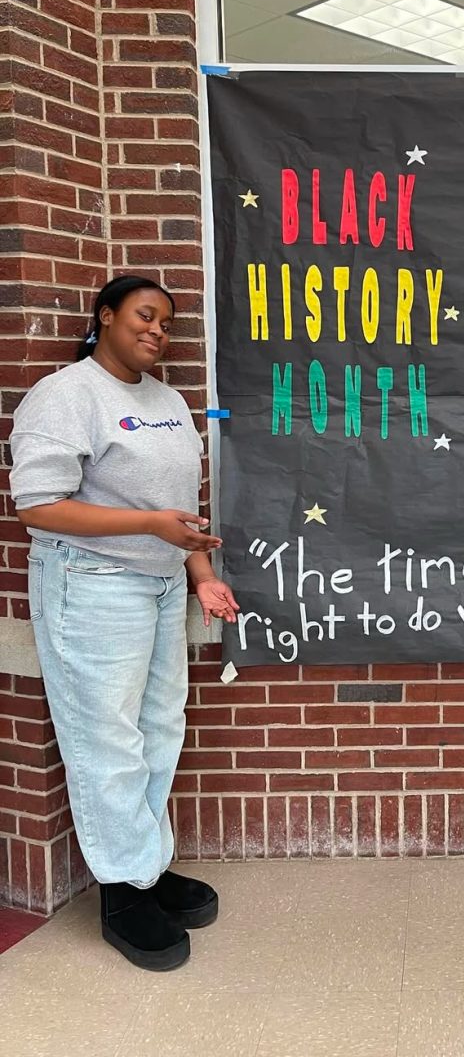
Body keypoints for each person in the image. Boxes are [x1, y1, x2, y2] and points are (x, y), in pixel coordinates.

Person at [10, 274, 239, 972]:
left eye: (166, 324)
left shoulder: (166, 400)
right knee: (105, 736)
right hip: (92, 585)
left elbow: (182, 503)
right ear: (105, 317)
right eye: (144, 316)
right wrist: (147, 525)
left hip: (162, 584)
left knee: (158, 726)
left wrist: (202, 576)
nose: (156, 332)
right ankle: (123, 893)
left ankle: (145, 866)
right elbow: (37, 503)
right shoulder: (65, 394)